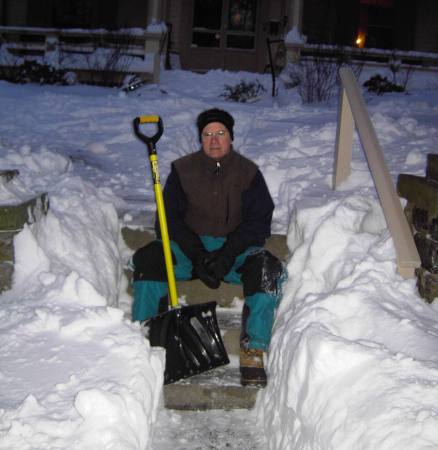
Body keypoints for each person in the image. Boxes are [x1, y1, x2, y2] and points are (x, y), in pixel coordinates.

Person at [131, 108, 284, 387]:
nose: (214, 140)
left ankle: (253, 349)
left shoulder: (248, 173)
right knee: (150, 259)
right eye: (207, 134)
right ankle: (141, 340)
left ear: (231, 137)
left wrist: (226, 256)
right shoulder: (182, 170)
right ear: (200, 138)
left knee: (266, 269)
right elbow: (169, 221)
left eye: (221, 133)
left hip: (235, 254)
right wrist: (199, 255)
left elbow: (258, 222)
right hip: (190, 253)